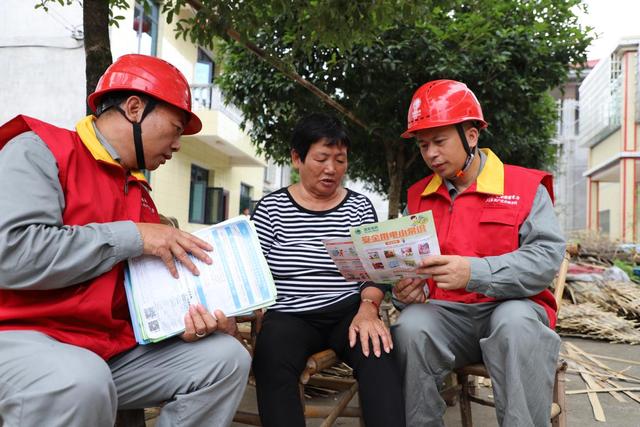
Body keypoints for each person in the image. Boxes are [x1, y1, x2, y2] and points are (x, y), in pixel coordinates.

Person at [0, 54, 250, 427]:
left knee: (227, 359)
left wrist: (185, 319)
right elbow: (11, 254)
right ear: (134, 107)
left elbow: (138, 292)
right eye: (176, 127)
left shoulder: (137, 190)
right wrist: (133, 235)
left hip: (106, 346)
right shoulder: (39, 149)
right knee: (80, 379)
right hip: (22, 335)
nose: (178, 144)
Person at [391, 79, 566, 427]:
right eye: (423, 145)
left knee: (515, 326)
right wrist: (404, 291)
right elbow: (412, 268)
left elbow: (546, 259)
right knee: (409, 327)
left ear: (471, 135)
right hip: (446, 316)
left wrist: (474, 272)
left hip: (512, 309)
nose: (431, 154)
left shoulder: (523, 187)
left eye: (439, 141)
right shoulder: (418, 197)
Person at [251, 113, 406, 427]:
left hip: (347, 312)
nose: (331, 169)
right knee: (271, 354)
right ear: (297, 158)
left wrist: (368, 308)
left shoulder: (359, 207)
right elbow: (253, 273)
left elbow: (373, 274)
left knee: (378, 350)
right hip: (290, 314)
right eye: (321, 158)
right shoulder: (271, 209)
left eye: (340, 160)